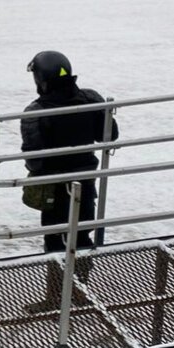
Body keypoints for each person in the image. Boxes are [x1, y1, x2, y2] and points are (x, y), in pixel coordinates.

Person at [20, 51, 119, 252]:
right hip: (86, 181)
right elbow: (110, 135)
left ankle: (59, 273)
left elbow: (34, 161)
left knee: (55, 240)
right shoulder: (90, 99)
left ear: (40, 78)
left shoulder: (36, 112)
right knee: (82, 235)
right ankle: (82, 271)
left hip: (54, 188)